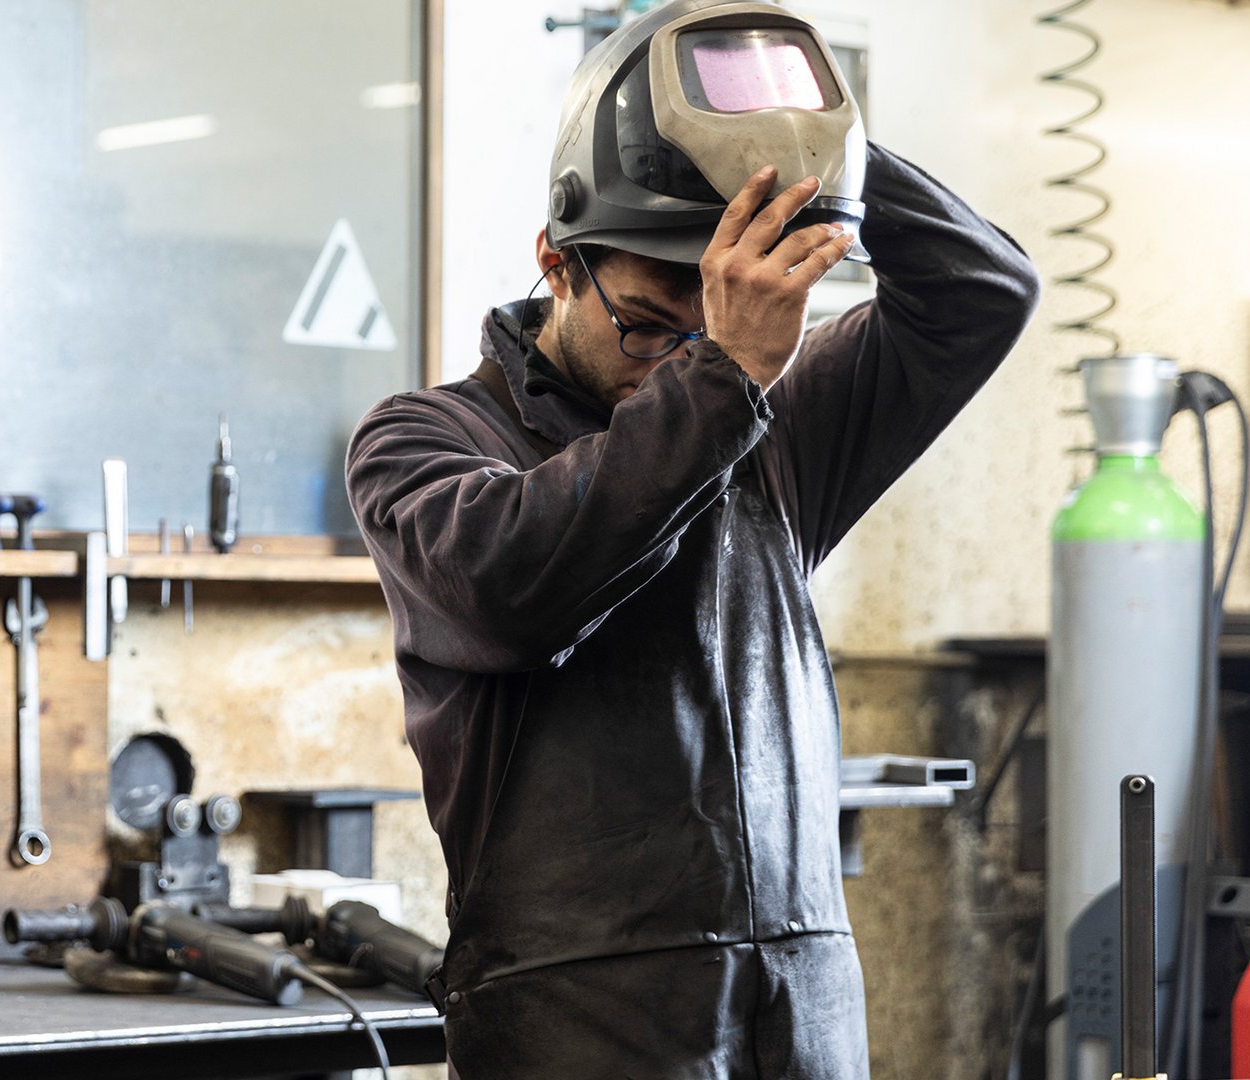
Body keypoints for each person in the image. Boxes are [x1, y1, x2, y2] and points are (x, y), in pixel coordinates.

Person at [343, 2, 1040, 1076]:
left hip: (801, 1019)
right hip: (583, 1027)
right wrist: (726, 372)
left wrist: (804, 156)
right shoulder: (423, 440)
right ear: (556, 261)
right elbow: (514, 588)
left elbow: (982, 294)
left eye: (711, 327)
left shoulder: (770, 431)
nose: (678, 359)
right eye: (648, 324)